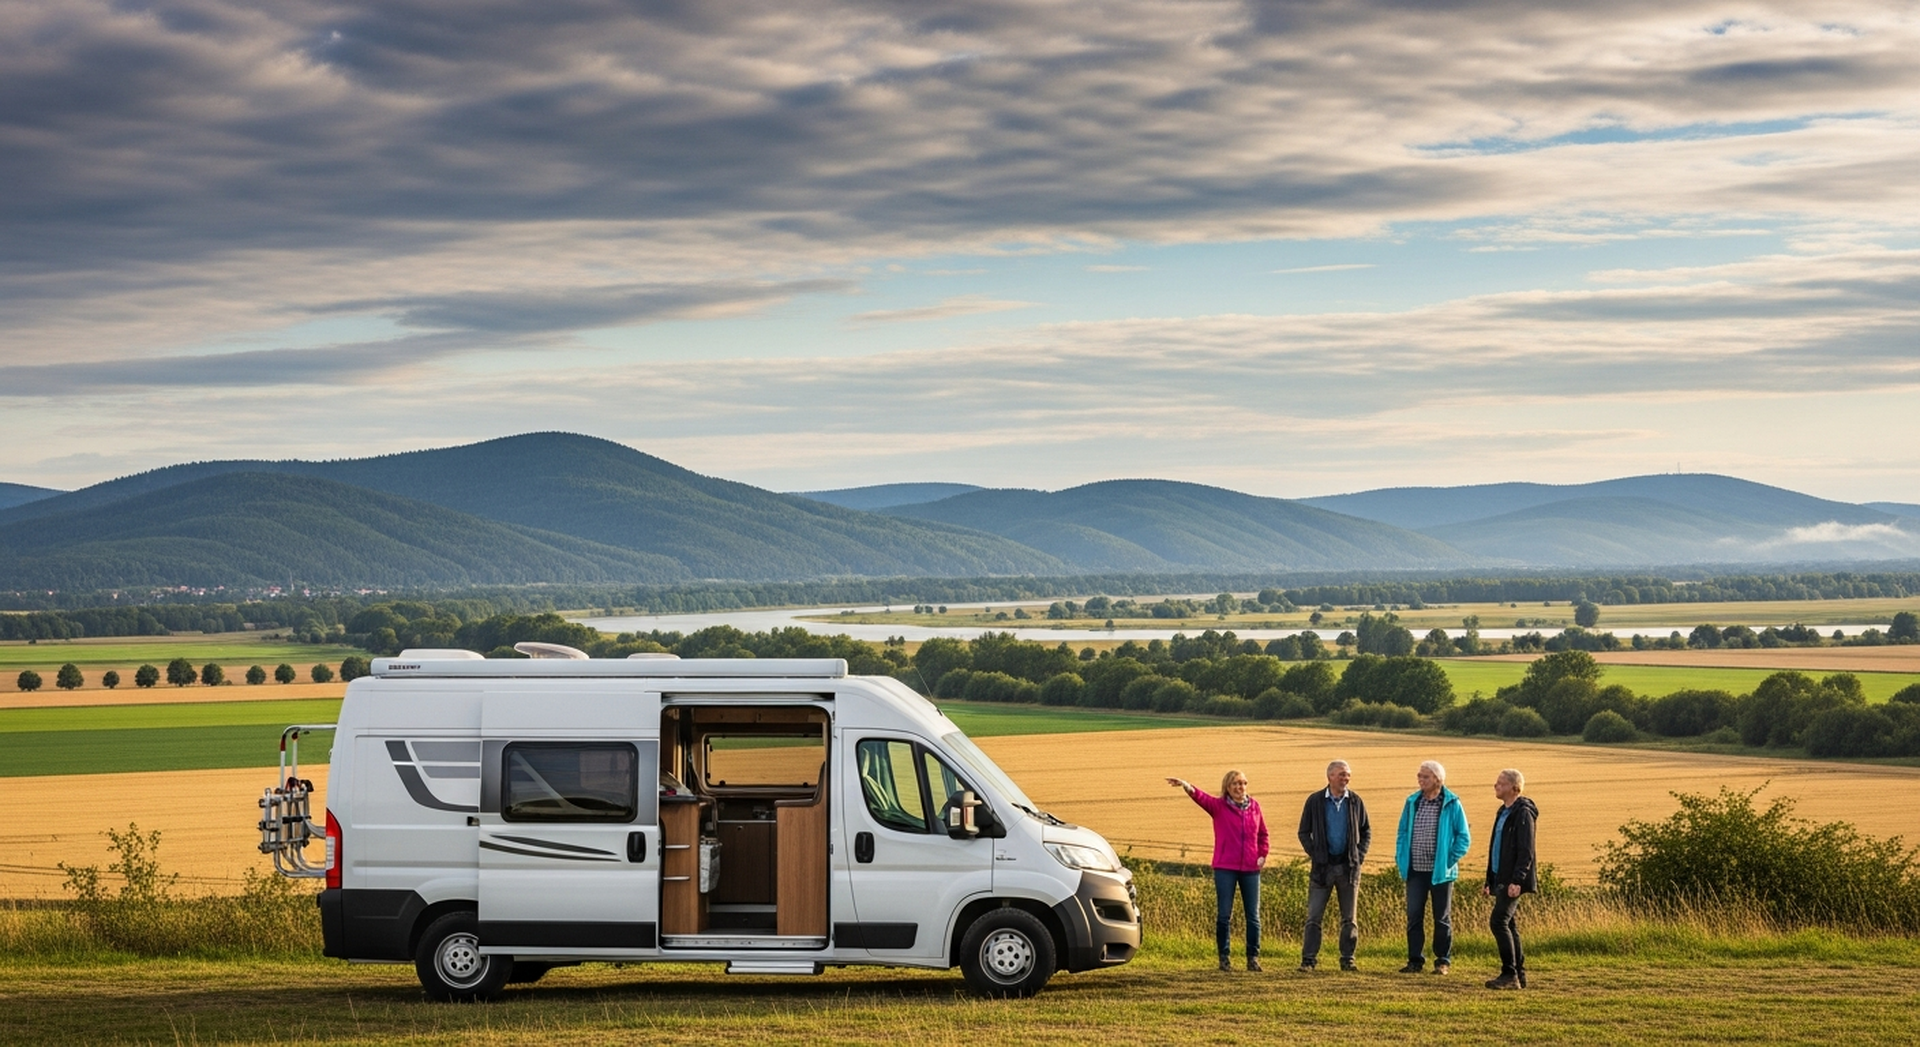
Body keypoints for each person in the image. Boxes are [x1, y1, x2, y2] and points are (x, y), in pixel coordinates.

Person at [1166, 769, 1269, 971]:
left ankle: (1253, 958)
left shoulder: (1254, 807)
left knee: (1253, 916)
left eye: (1243, 783)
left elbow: (1263, 835)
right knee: (1224, 915)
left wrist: (1262, 854)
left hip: (1250, 868)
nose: (1240, 787)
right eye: (1236, 784)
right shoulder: (1219, 807)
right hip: (1225, 868)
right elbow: (1201, 797)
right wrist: (1186, 784)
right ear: (1227, 788)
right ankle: (1224, 958)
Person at [1393, 760, 1470, 975]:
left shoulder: (1452, 803)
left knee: (1441, 918)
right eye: (1419, 776)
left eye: (1425, 776)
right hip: (1415, 870)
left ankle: (1442, 961)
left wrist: (1448, 860)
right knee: (1414, 915)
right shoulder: (1412, 802)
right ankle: (1415, 961)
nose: (1420, 780)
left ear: (1437, 779)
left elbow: (1463, 837)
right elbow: (1401, 833)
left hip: (1441, 873)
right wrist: (1401, 860)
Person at [1296, 759, 1370, 971]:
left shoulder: (1355, 801)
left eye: (1347, 774)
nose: (1345, 778)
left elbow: (1366, 831)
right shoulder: (1315, 801)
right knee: (1314, 917)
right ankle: (1308, 961)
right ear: (1329, 777)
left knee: (1349, 918)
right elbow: (1303, 832)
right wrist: (1317, 854)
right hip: (1322, 870)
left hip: (1348, 869)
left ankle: (1348, 960)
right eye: (1341, 774)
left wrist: (1359, 856)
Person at [1483, 768, 1538, 990]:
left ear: (1514, 788)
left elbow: (1526, 851)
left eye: (1501, 783)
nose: (1496, 786)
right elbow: (1495, 848)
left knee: (1498, 921)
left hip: (1513, 878)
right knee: (1510, 924)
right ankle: (1518, 974)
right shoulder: (1502, 812)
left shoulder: (1523, 813)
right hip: (1500, 876)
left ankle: (1509, 974)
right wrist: (1489, 880)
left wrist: (1518, 880)